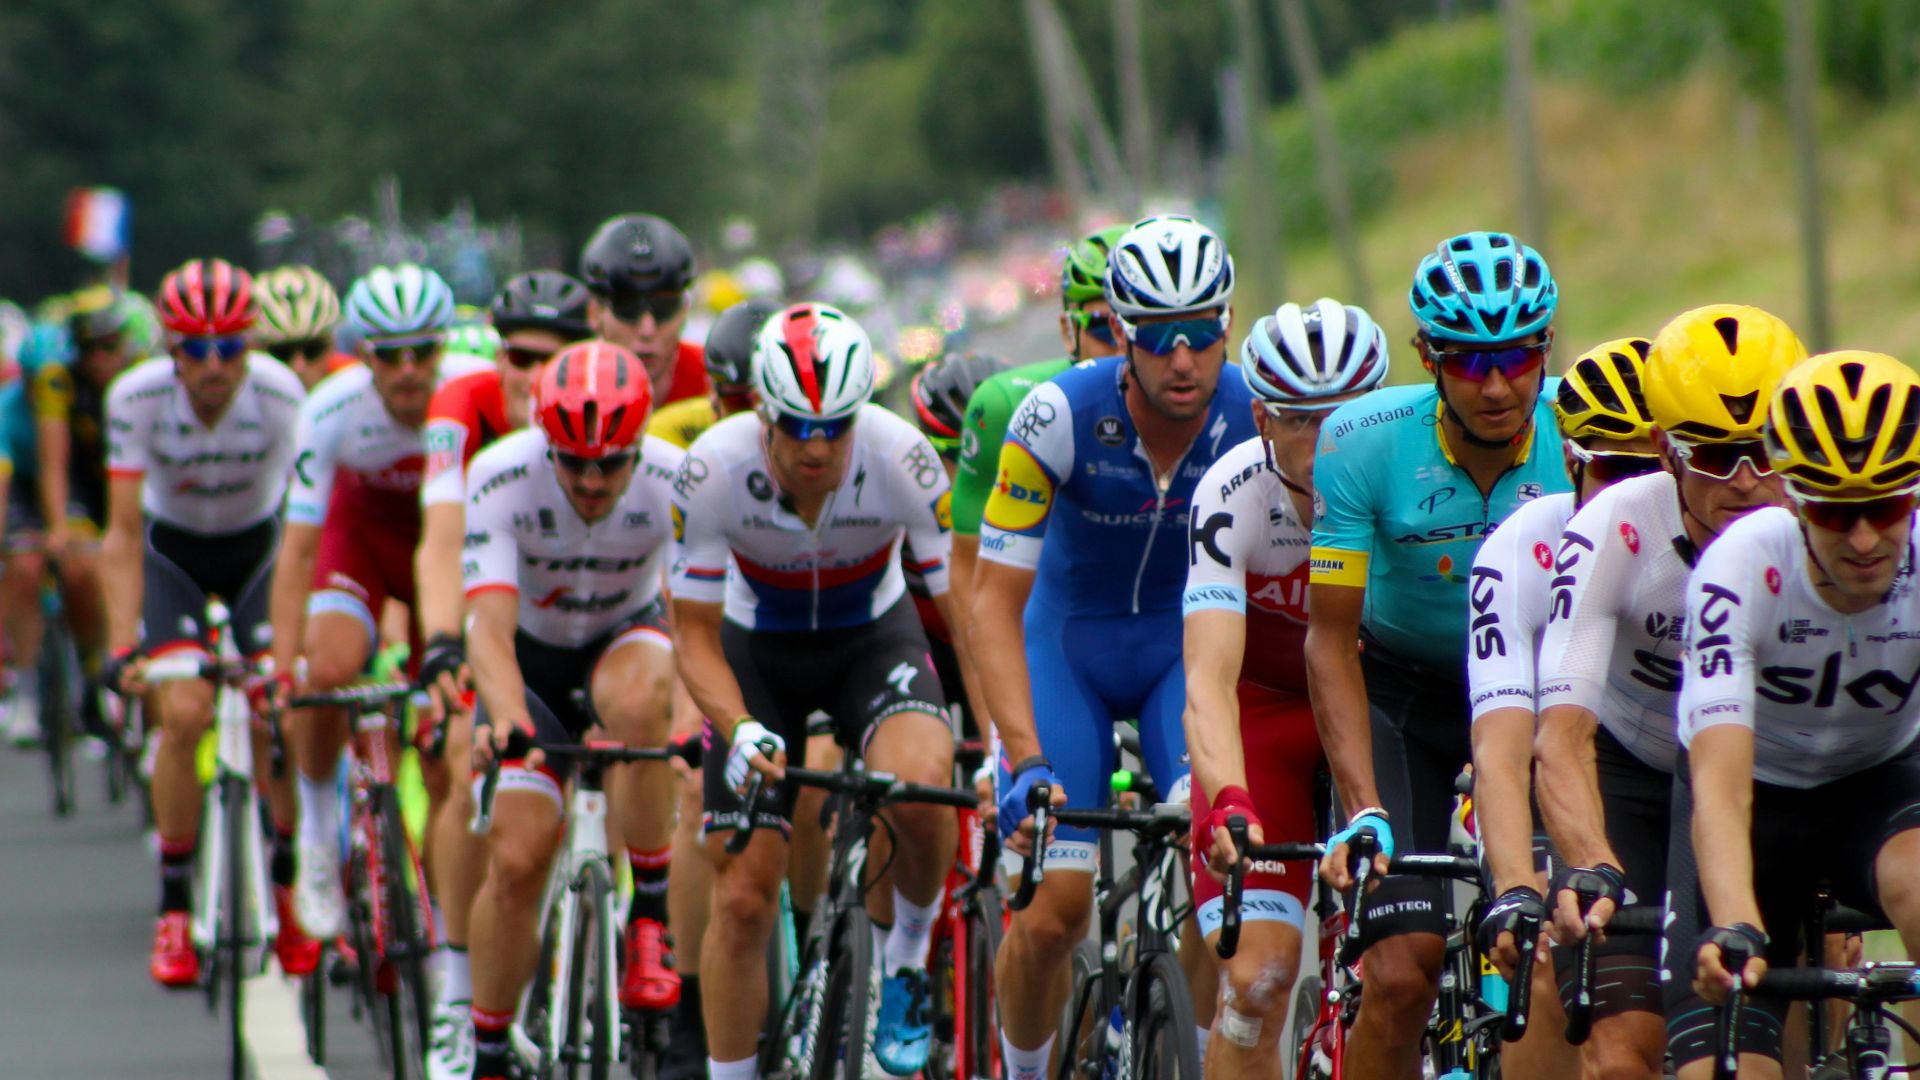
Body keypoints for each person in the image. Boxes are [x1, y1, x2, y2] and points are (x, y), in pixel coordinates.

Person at [978, 214, 1256, 1078]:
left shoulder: (1253, 414)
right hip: (1067, 652)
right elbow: (994, 603)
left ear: (1228, 326)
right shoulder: (1057, 416)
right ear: (1123, 335)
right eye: (1161, 337)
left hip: (1183, 657)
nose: (1184, 358)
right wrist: (1021, 758)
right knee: (1056, 912)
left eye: (1202, 332)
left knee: (1221, 885)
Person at [672, 302, 963, 1079]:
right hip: (756, 655)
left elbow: (969, 620)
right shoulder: (710, 468)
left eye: (835, 426)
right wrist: (737, 725)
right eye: (797, 426)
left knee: (923, 788)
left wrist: (1010, 746)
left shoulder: (902, 458)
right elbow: (692, 634)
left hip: (871, 640)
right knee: (742, 897)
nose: (817, 445)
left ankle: (907, 958)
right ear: (761, 413)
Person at [1306, 231, 1570, 1079]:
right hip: (1406, 700)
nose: (1496, 386)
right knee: (1401, 972)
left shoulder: (1582, 431)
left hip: (1535, 699)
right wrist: (1363, 808)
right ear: (1426, 358)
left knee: (1545, 956)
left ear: (1547, 348)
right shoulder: (1361, 443)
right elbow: (1329, 640)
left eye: (1517, 358)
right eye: (1467, 362)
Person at [1528, 306, 1803, 1078]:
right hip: (1625, 772)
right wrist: (1590, 860)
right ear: (1665, 451)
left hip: (1757, 772)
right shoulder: (1613, 529)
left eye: (1763, 452)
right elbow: (1563, 735)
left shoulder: (1824, 527)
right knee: (1626, 1051)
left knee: (1802, 1009)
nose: (1744, 481)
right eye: (1713, 455)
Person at [1665, 351, 1920, 1079]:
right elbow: (1720, 785)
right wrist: (1735, 921)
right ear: (1795, 501)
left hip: (1880, 786)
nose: (1864, 540)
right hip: (1756, 805)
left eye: (1886, 508)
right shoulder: (1740, 568)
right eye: (1836, 513)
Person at [462, 342, 684, 1080]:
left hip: (625, 644)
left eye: (611, 464)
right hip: (529, 665)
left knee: (642, 701)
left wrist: (691, 726)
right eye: (573, 461)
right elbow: (487, 628)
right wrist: (504, 719)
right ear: (544, 441)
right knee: (517, 860)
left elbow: (694, 627)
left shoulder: (674, 480)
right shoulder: (500, 474)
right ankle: (489, 1049)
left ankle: (650, 916)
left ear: (640, 444)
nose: (591, 481)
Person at [94, 258, 315, 986]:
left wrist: (292, 647)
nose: (214, 365)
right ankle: (174, 907)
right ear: (171, 348)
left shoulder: (280, 394)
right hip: (174, 556)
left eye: (229, 347)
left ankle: (289, 893)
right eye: (196, 348)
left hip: (259, 554)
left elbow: (304, 527)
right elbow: (123, 534)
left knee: (276, 711)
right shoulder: (136, 398)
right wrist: (122, 645)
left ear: (250, 346)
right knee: (184, 714)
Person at [1182, 298, 1387, 1077]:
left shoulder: (1410, 485)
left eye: (1346, 414)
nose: (1326, 439)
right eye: (1301, 419)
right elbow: (1209, 678)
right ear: (1262, 417)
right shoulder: (1232, 494)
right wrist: (1229, 797)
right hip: (1264, 718)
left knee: (1402, 972)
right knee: (1259, 983)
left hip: (1375, 716)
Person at [268, 264, 489, 944]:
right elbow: (298, 550)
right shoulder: (330, 409)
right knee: (326, 672)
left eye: (423, 350)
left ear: (444, 345)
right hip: (361, 540)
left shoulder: (472, 389)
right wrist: (285, 667)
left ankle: (447, 921)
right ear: (364, 355)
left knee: (446, 750)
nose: (409, 370)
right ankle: (317, 833)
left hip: (445, 554)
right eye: (390, 355)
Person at [409, 268, 594, 1079]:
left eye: (551, 356)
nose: (532, 373)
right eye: (519, 356)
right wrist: (442, 644)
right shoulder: (462, 407)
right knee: (461, 751)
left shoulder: (613, 400)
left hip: (588, 615)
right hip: (488, 609)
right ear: (498, 359)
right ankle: (458, 994)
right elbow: (442, 542)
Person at [1466, 336, 1666, 1076]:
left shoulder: (1719, 534)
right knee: (1545, 956)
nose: (1630, 496)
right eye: (1613, 470)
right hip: (1576, 774)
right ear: (1572, 461)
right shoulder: (1523, 548)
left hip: (1696, 774)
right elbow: (1502, 748)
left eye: (1648, 472)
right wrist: (1515, 885)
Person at [948, 225, 1126, 625]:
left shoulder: (1222, 403)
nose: (1125, 347)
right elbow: (971, 586)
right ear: (1068, 331)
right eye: (1105, 326)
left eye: (1144, 328)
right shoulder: (1006, 407)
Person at [0, 294, 138, 742]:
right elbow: (50, 465)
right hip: (33, 486)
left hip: (101, 482)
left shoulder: (135, 380)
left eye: (109, 346)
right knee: (31, 565)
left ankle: (95, 664)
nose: (99, 359)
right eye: (88, 349)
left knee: (105, 563)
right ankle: (26, 689)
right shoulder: (45, 391)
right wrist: (57, 530)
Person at [578, 213, 709, 406]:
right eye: (628, 309)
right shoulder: (567, 381)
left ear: (684, 311)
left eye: (663, 309)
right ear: (594, 313)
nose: (647, 330)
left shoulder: (712, 380)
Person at [645, 296, 781, 450]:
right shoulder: (663, 432)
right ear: (713, 395)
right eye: (743, 402)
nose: (761, 419)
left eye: (775, 406)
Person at [253, 264, 355, 391]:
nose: (299, 367)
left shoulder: (355, 377)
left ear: (332, 345)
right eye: (281, 353)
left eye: (313, 350)